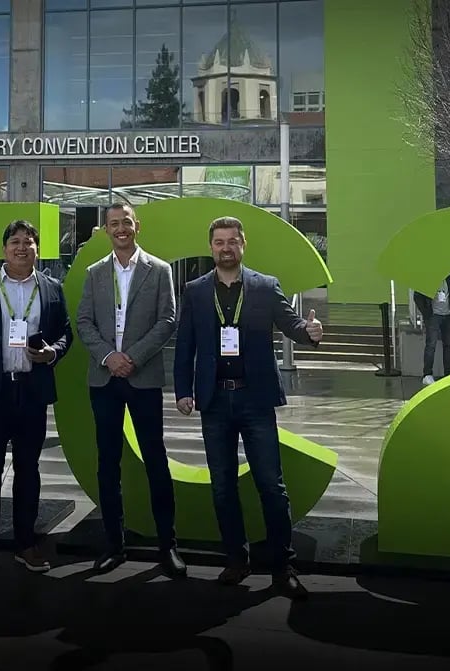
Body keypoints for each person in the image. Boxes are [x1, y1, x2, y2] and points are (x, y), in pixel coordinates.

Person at [174, 216, 324, 600]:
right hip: (213, 401)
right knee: (223, 487)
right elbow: (185, 344)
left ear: (243, 245)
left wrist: (311, 333)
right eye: (219, 242)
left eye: (233, 241)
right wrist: (182, 390)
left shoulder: (265, 287)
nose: (226, 248)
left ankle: (282, 565)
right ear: (211, 247)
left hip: (254, 399)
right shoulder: (194, 290)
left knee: (271, 486)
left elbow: (293, 327)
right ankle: (236, 559)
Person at [0, 220, 73, 575]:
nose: (22, 247)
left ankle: (26, 543)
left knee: (28, 469)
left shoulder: (51, 288)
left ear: (37, 248)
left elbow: (65, 332)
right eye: (15, 241)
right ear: (4, 249)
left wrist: (52, 353)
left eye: (28, 242)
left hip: (32, 392)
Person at [75, 203, 184, 577]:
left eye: (126, 222)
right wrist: (109, 357)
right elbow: (84, 321)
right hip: (104, 379)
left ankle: (167, 547)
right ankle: (114, 545)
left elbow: (168, 319)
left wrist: (131, 357)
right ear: (106, 230)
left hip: (142, 377)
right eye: (113, 224)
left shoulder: (160, 270)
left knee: (156, 460)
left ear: (137, 226)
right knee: (108, 463)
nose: (120, 229)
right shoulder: (94, 273)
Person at [413, 272, 450, 385]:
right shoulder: (428, 277)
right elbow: (417, 296)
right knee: (431, 345)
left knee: (449, 346)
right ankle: (427, 374)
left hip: (448, 315)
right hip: (433, 316)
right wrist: (427, 313)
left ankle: (449, 374)